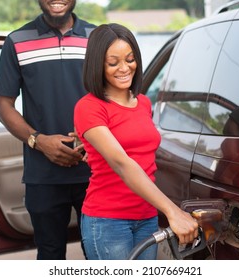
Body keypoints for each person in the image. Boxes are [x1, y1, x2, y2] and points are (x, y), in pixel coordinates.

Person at [74, 23, 199, 260]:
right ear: (97, 65)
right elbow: (123, 163)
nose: (124, 68)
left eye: (130, 59)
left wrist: (161, 211)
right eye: (113, 63)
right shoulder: (89, 107)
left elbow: (143, 156)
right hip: (108, 221)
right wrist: (172, 211)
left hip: (146, 216)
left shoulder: (143, 103)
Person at [0, 0, 95, 260]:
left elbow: (114, 96)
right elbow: (3, 105)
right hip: (43, 176)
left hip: (96, 171)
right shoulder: (16, 40)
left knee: (100, 255)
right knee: (50, 256)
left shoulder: (97, 38)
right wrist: (38, 141)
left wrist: (95, 140)